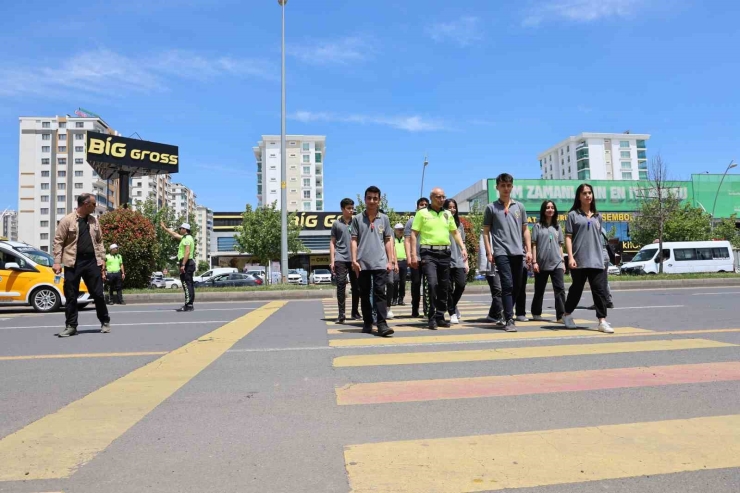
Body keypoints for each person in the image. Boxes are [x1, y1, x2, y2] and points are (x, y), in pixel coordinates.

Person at [53, 193, 111, 337]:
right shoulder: (67, 220)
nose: (95, 207)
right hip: (73, 262)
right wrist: (57, 262)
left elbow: (99, 241)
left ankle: (105, 321)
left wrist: (102, 259)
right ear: (85, 204)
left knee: (97, 294)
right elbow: (58, 241)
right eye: (93, 204)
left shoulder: (94, 221)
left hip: (92, 261)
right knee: (71, 295)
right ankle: (71, 326)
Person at [410, 187, 467, 330]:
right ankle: (431, 316)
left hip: (445, 254)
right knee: (432, 284)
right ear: (431, 197)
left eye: (443, 197)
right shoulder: (422, 213)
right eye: (438, 197)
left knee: (444, 286)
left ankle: (440, 316)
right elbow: (413, 235)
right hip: (428, 253)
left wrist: (463, 247)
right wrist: (412, 254)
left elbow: (455, 232)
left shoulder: (447, 214)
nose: (441, 199)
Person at [482, 173, 532, 332]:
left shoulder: (519, 207)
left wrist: (529, 250)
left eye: (508, 185)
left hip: (518, 252)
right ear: (497, 187)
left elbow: (525, 230)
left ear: (512, 187)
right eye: (502, 185)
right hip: (501, 252)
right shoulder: (491, 208)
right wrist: (489, 252)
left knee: (517, 286)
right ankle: (510, 319)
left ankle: (505, 311)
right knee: (507, 285)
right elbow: (485, 232)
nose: (506, 188)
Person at [562, 184, 614, 333]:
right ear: (579, 196)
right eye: (584, 193)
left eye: (590, 193)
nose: (588, 196)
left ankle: (602, 320)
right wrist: (570, 257)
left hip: (597, 259)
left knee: (599, 291)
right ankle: (566, 314)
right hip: (579, 259)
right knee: (576, 290)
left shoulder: (598, 216)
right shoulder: (573, 215)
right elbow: (568, 237)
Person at [351, 186, 394, 337]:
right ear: (364, 199)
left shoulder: (384, 218)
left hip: (380, 262)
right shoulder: (357, 219)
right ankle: (368, 322)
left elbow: (388, 240)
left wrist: (391, 260)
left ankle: (382, 324)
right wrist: (354, 260)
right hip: (362, 263)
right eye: (369, 198)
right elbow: (354, 240)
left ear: (379, 200)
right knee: (364, 293)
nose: (372, 201)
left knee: (380, 293)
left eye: (375, 198)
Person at [530, 200, 566, 322]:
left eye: (552, 207)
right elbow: (533, 245)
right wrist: (534, 262)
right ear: (543, 210)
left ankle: (561, 316)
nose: (550, 209)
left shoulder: (558, 227)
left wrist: (563, 262)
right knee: (539, 290)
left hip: (557, 262)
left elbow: (560, 245)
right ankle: (536, 313)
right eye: (547, 207)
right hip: (541, 263)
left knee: (560, 289)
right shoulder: (537, 226)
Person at [330, 198, 361, 323]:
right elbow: (332, 243)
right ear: (342, 209)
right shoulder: (336, 224)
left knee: (357, 286)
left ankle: (355, 312)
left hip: (355, 259)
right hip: (340, 258)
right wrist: (332, 260)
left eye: (352, 208)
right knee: (341, 285)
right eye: (349, 208)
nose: (351, 210)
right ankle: (341, 314)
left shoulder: (357, 222)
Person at [161, 221, 196, 312]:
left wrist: (183, 264)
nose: (180, 230)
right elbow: (175, 234)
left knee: (186, 284)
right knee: (189, 284)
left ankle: (188, 305)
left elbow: (187, 252)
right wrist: (165, 228)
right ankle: (190, 304)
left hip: (187, 263)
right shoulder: (186, 237)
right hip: (188, 262)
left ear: (185, 229)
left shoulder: (187, 239)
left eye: (181, 228)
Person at [443, 198, 468, 324]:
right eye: (449, 207)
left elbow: (462, 242)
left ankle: (452, 305)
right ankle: (452, 312)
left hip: (458, 259)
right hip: (445, 259)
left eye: (454, 207)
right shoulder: (441, 222)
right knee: (447, 288)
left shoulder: (460, 225)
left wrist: (466, 262)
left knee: (461, 284)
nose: (452, 209)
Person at [404, 197, 429, 318]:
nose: (423, 206)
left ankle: (427, 310)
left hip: (428, 257)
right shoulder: (411, 222)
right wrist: (409, 256)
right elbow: (407, 240)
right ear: (417, 206)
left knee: (429, 284)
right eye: (421, 204)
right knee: (416, 283)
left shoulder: (430, 220)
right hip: (415, 258)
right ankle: (415, 309)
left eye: (425, 204)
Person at [479, 230, 504, 323]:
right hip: (492, 265)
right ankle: (501, 315)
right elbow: (482, 250)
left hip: (503, 263)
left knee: (503, 290)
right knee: (498, 290)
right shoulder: (486, 231)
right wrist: (484, 265)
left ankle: (492, 314)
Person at [392, 223, 408, 306]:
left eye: (402, 229)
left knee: (403, 282)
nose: (401, 231)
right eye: (399, 229)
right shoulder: (392, 239)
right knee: (395, 281)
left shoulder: (404, 239)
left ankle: (401, 299)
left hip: (404, 262)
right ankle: (394, 298)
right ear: (395, 230)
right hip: (395, 262)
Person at [515, 252, 530, 322]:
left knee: (521, 287)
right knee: (508, 287)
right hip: (506, 257)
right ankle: (505, 313)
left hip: (522, 258)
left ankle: (520, 313)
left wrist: (529, 252)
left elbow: (527, 242)